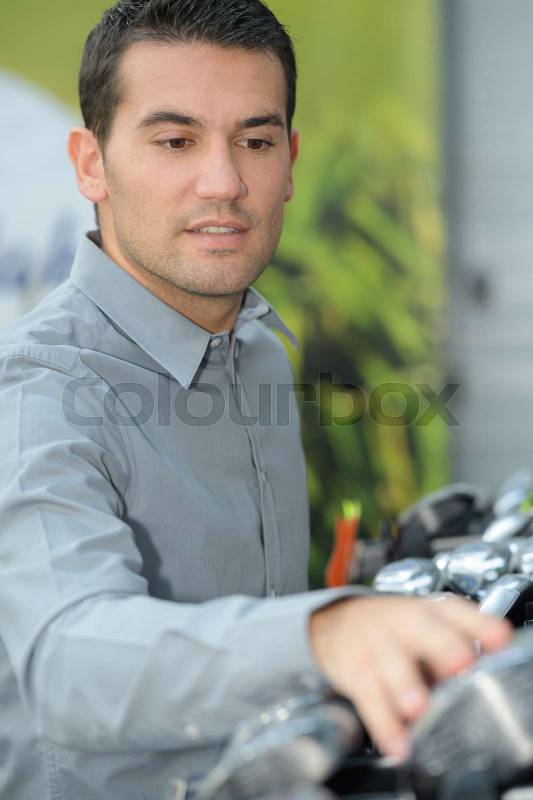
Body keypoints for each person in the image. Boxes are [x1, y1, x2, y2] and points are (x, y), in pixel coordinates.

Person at [0, 1, 511, 799]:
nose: (225, 182)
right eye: (176, 141)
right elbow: (67, 659)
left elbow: (249, 614)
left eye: (255, 141)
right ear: (91, 163)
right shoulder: (38, 389)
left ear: (290, 161)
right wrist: (319, 634)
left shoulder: (259, 351)